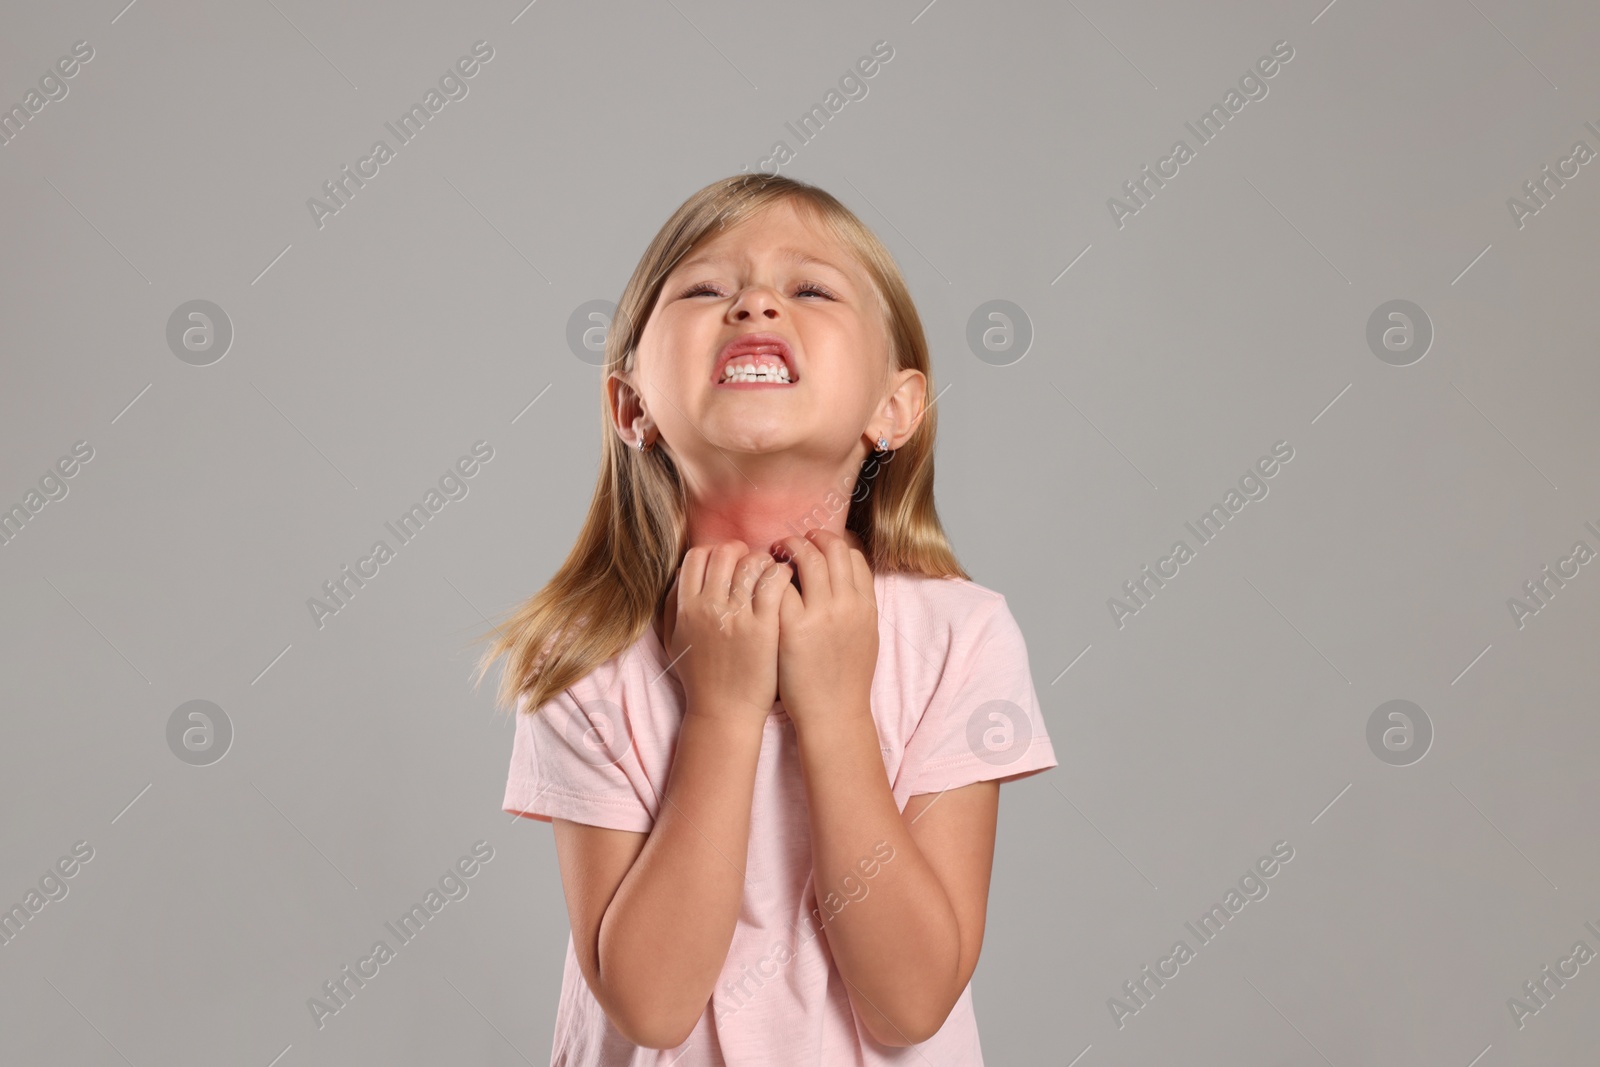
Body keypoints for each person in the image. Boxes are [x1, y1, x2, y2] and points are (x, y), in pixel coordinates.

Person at [475, 172, 1057, 1064]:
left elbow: (910, 1003)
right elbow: (653, 1006)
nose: (753, 305)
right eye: (706, 289)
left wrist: (833, 711)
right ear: (631, 406)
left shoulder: (960, 637)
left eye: (811, 288)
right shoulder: (586, 653)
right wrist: (720, 711)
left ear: (893, 408)